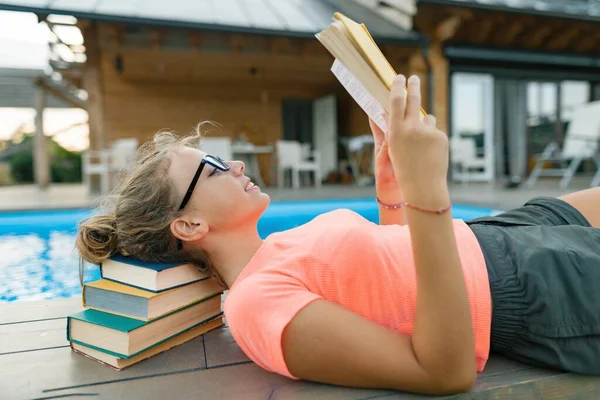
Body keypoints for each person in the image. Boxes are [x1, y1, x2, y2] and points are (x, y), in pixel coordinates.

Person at [76, 75, 600, 396]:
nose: (234, 163)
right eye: (212, 168)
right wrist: (426, 192)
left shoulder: (276, 250)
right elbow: (445, 370)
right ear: (189, 225)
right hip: (525, 290)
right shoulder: (256, 304)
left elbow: (403, 283)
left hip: (499, 235)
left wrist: (393, 181)